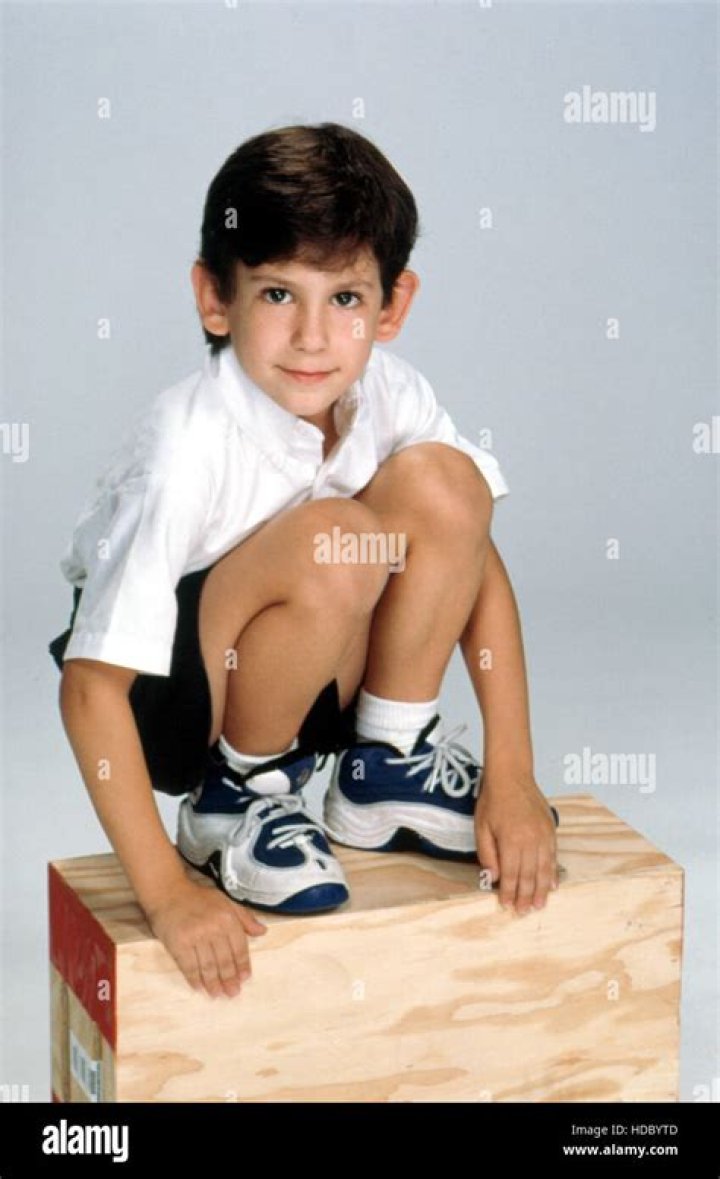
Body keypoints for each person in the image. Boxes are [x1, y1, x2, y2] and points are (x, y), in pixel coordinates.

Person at [49, 122, 559, 1002]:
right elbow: (90, 689)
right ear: (215, 297)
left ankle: (386, 760)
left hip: (308, 656)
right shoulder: (183, 450)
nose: (314, 337)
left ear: (392, 305)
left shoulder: (388, 392)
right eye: (279, 293)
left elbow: (472, 552)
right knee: (334, 538)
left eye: (346, 299)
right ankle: (234, 800)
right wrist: (165, 893)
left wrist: (512, 768)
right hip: (167, 700)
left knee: (449, 483)